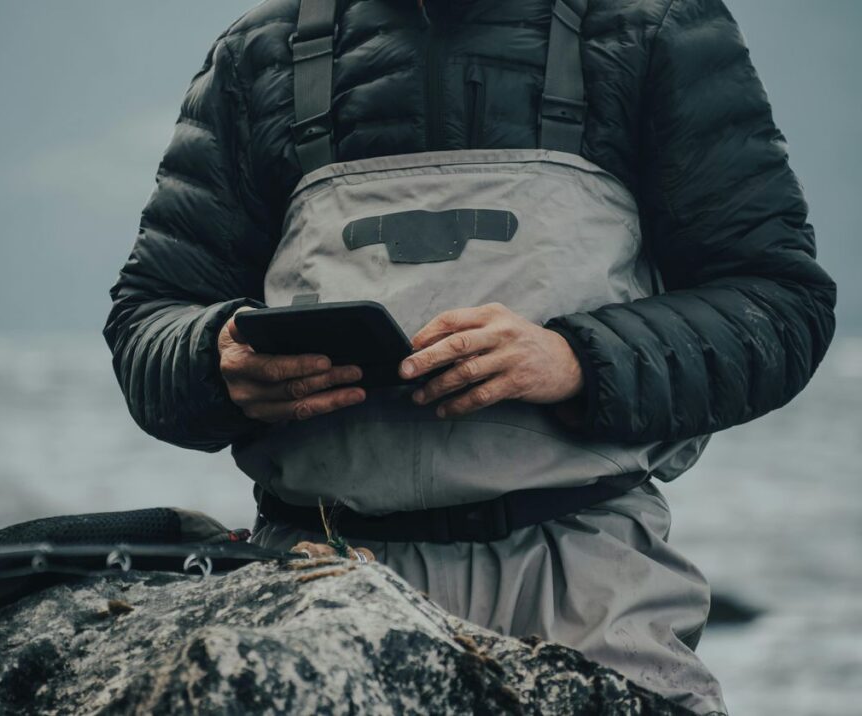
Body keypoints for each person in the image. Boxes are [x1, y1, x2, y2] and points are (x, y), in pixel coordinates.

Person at [104, 1, 836, 713]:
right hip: (312, 580)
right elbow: (148, 318)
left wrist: (574, 360)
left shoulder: (655, 29)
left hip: (583, 584)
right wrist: (215, 360)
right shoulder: (258, 51)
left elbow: (778, 304)